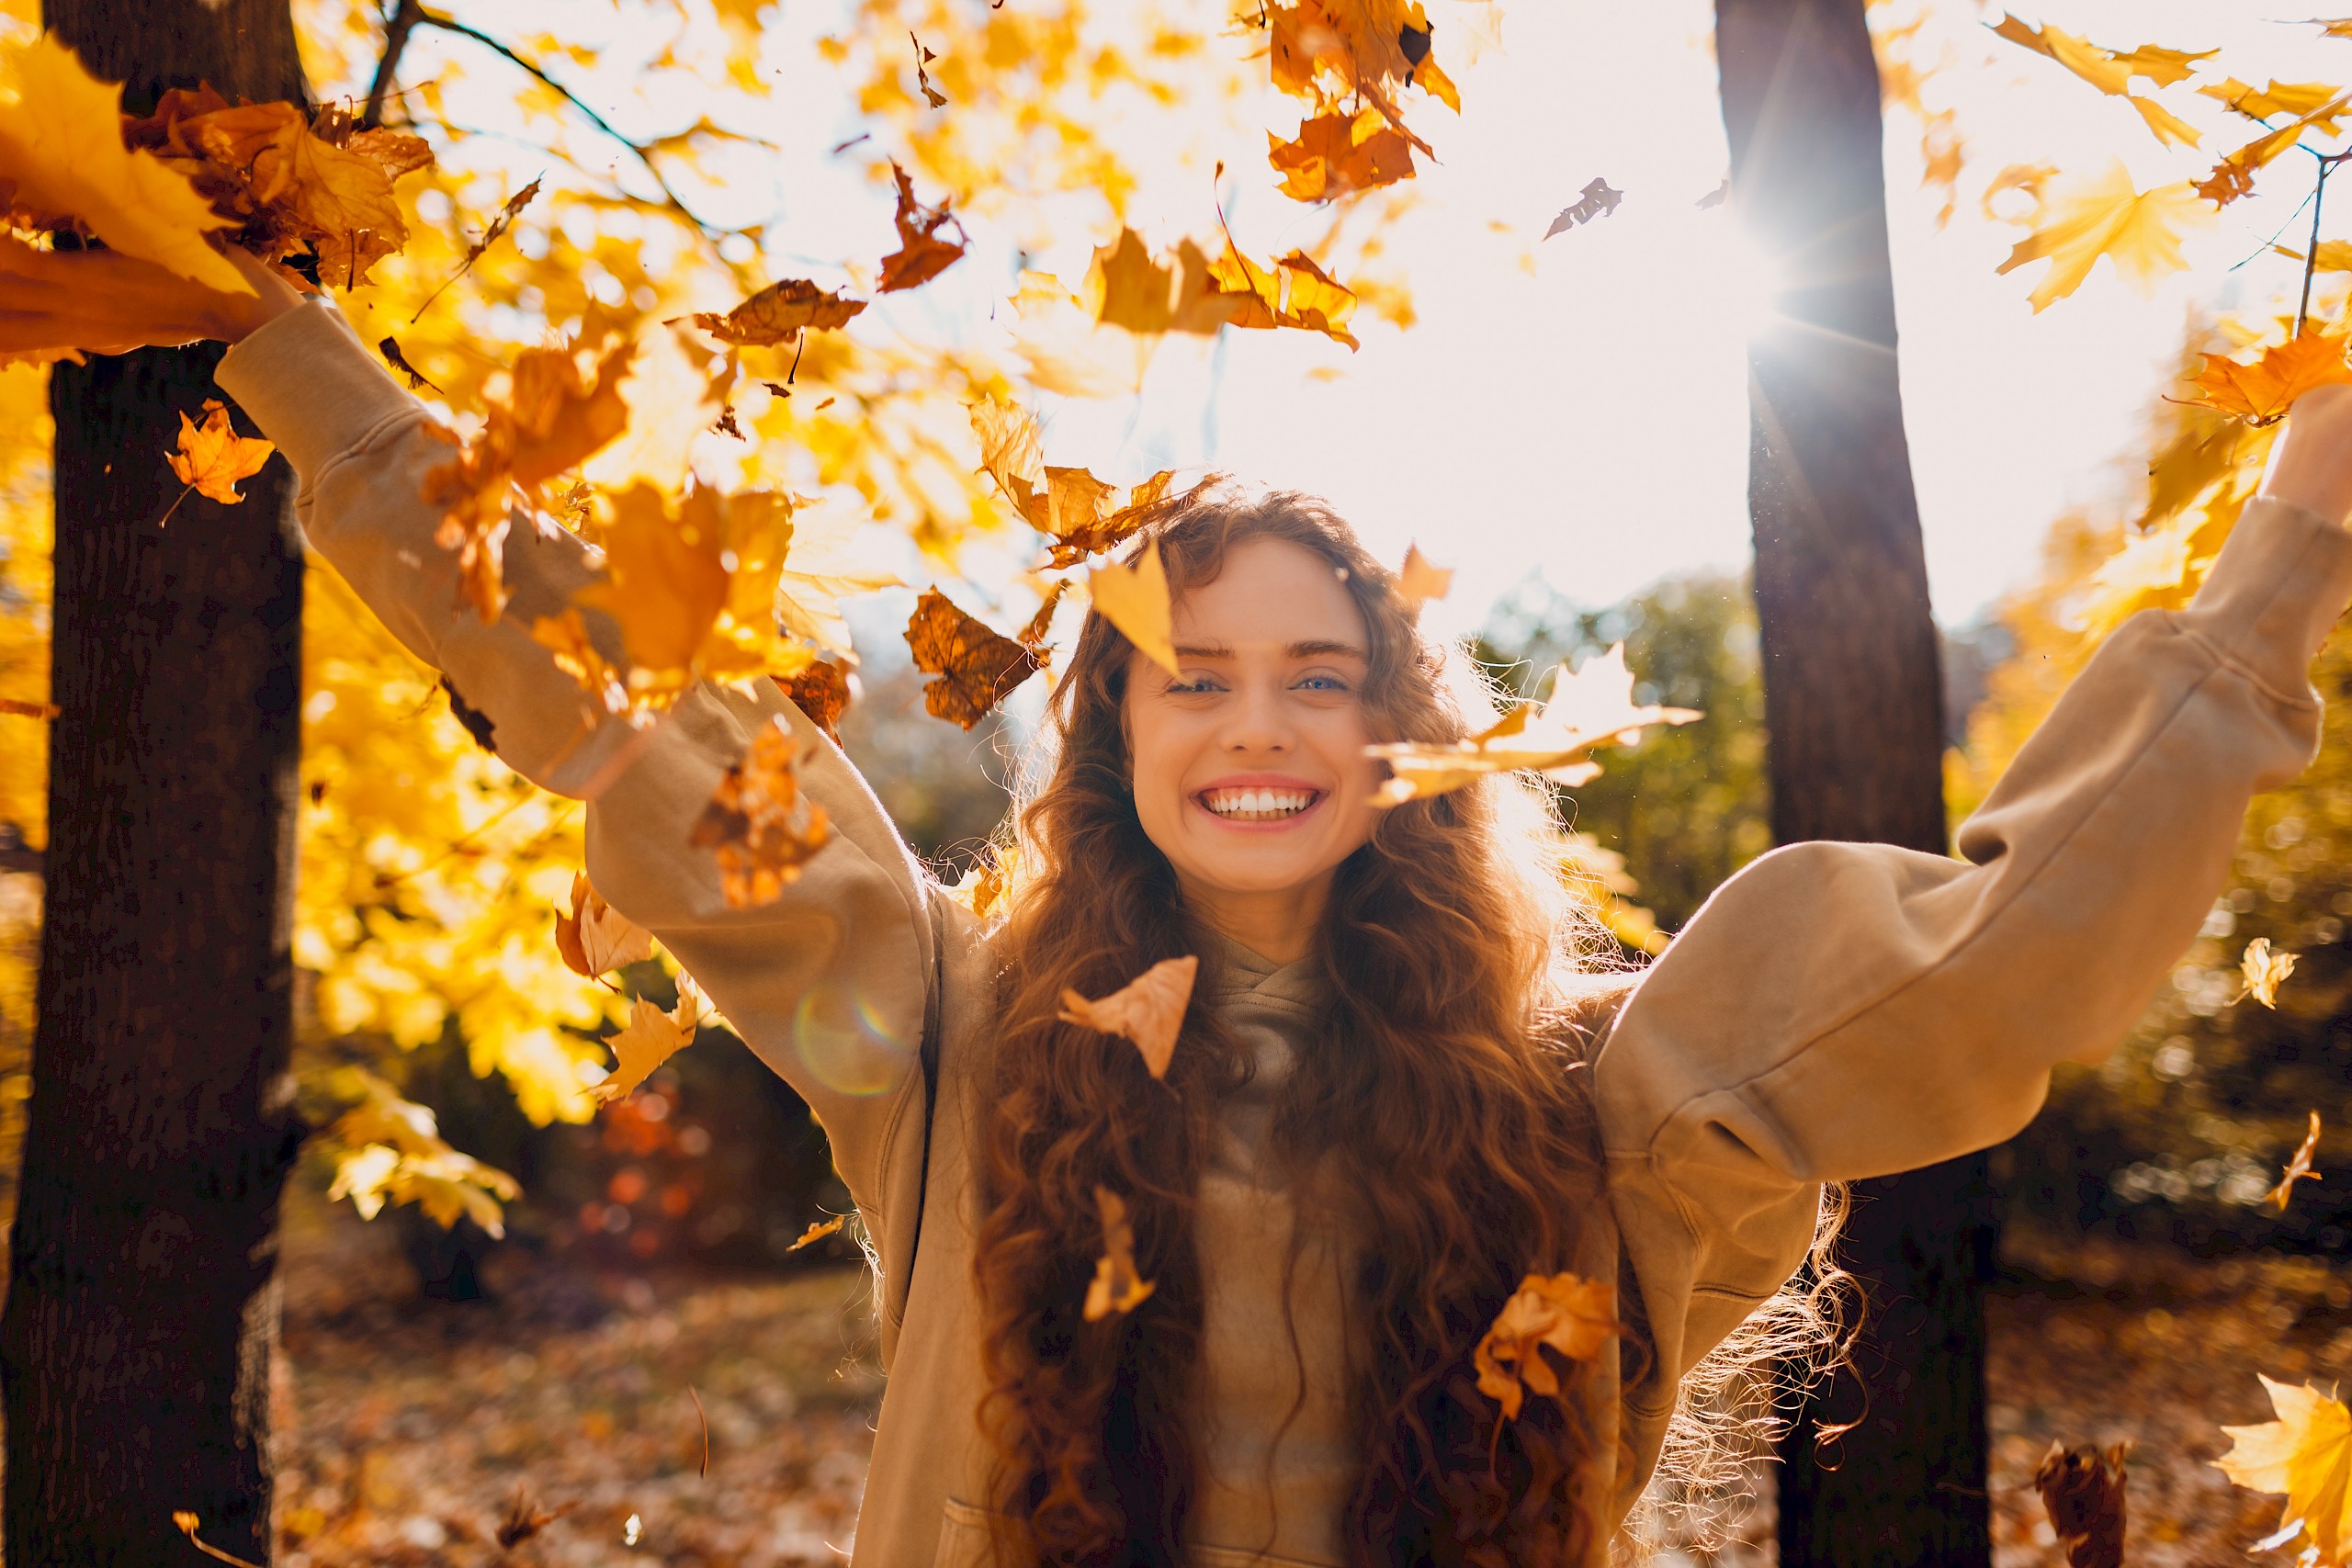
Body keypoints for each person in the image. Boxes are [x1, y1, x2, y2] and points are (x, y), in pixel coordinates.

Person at [89, 254, 2352, 1564]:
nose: (1251, 723)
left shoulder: (1614, 1087)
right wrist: (288, 351)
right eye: (1190, 676)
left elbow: (2011, 955)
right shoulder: (955, 1030)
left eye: (1315, 671)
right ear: (1109, 734)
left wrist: (2297, 535)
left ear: (1397, 733)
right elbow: (626, 710)